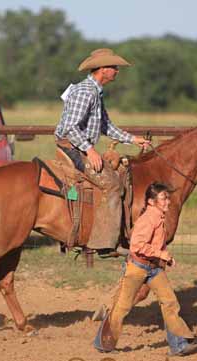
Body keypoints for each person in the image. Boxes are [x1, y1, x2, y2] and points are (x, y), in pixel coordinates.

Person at [54, 48, 149, 250]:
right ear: (103, 70)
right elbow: (70, 127)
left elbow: (105, 125)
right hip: (73, 148)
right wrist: (90, 150)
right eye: (113, 67)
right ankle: (103, 243)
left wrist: (132, 139)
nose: (117, 71)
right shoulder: (85, 92)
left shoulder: (96, 92)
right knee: (113, 185)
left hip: (79, 146)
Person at [93, 182, 197, 356]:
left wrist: (165, 256)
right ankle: (103, 343)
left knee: (170, 302)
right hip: (137, 267)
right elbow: (137, 246)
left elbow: (154, 244)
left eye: (168, 198)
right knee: (122, 306)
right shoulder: (149, 219)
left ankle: (179, 345)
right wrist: (162, 255)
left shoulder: (159, 217)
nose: (168, 202)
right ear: (151, 201)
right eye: (164, 198)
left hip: (154, 268)